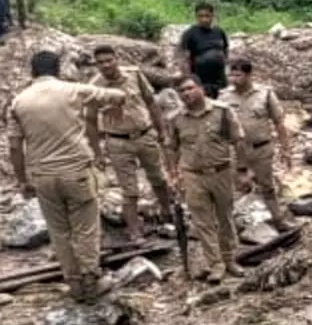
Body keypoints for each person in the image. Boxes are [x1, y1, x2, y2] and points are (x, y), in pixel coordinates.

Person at [8, 51, 128, 301]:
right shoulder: (72, 90)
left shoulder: (19, 102)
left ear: (33, 72)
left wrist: (22, 180)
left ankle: (74, 283)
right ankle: (91, 281)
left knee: (59, 231)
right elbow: (116, 95)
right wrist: (116, 103)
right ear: (57, 70)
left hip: (43, 175)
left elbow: (15, 146)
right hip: (76, 171)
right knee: (85, 228)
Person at [87, 45, 173, 244]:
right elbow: (90, 121)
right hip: (117, 141)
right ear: (96, 65)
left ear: (117, 58)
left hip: (144, 134)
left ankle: (167, 213)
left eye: (109, 60)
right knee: (130, 189)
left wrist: (162, 131)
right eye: (101, 62)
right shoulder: (94, 88)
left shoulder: (134, 75)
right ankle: (134, 230)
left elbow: (151, 102)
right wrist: (97, 153)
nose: (106, 65)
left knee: (159, 178)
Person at [169, 75, 246, 282]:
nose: (186, 94)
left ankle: (230, 259)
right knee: (203, 222)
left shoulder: (222, 112)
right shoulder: (176, 119)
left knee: (225, 218)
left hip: (221, 172)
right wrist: (174, 174)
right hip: (193, 175)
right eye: (181, 91)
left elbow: (238, 141)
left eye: (189, 88)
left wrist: (242, 170)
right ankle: (216, 265)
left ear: (201, 88)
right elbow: (172, 148)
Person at [218, 58, 295, 230]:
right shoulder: (224, 97)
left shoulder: (265, 94)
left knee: (267, 186)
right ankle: (236, 226)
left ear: (248, 74)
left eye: (237, 75)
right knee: (238, 187)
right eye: (230, 75)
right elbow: (220, 128)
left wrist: (286, 149)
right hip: (236, 150)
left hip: (261, 148)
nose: (233, 79)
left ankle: (278, 220)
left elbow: (279, 123)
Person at [178, 3, 230, 98]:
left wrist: (225, 67)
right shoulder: (190, 34)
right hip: (201, 80)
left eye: (207, 16)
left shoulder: (219, 32)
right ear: (196, 17)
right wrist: (188, 79)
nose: (204, 19)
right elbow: (185, 58)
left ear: (212, 16)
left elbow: (225, 50)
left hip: (220, 79)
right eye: (200, 16)